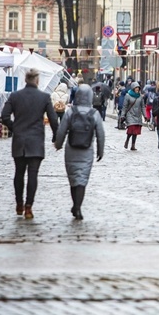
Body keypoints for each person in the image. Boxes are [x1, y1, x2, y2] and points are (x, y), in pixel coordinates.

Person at [0, 68, 58, 219]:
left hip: (19, 140)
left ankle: (19, 203)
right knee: (33, 175)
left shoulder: (15, 96)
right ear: (37, 81)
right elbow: (53, 119)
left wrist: (15, 127)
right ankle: (28, 207)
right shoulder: (44, 97)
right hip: (36, 141)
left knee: (19, 173)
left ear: (25, 80)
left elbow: (4, 116)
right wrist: (56, 137)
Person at [54, 84, 105, 220]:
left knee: (73, 178)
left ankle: (75, 205)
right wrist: (100, 151)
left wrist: (58, 145)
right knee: (82, 179)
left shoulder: (71, 112)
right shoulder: (95, 114)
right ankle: (78, 207)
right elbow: (100, 134)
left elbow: (61, 130)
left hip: (71, 149)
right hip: (87, 150)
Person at [121, 81, 145, 151]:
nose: (137, 89)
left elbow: (143, 106)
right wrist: (122, 115)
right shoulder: (128, 95)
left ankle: (133, 145)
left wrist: (145, 116)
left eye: (138, 88)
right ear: (133, 88)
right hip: (130, 114)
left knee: (136, 131)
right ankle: (127, 140)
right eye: (136, 88)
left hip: (138, 115)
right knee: (131, 129)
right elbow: (125, 107)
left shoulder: (140, 96)